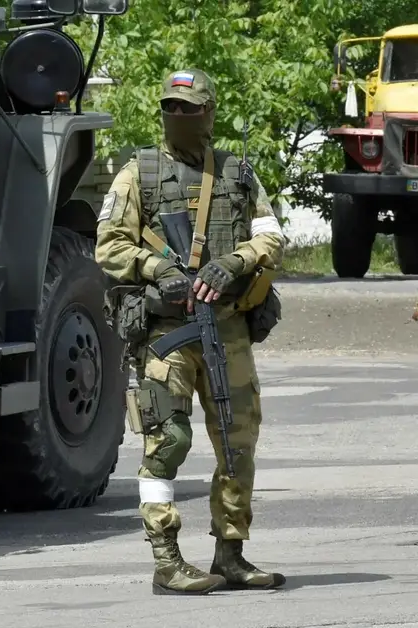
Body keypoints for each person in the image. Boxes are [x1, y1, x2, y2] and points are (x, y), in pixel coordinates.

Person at [94, 68, 287, 595]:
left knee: (237, 442)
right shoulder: (139, 174)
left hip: (226, 329)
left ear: (209, 112)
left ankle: (231, 554)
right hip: (166, 333)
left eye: (189, 108)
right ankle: (166, 559)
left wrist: (235, 260)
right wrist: (157, 269)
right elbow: (108, 246)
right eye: (171, 109)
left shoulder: (237, 174)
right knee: (168, 440)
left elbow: (271, 236)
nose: (179, 117)